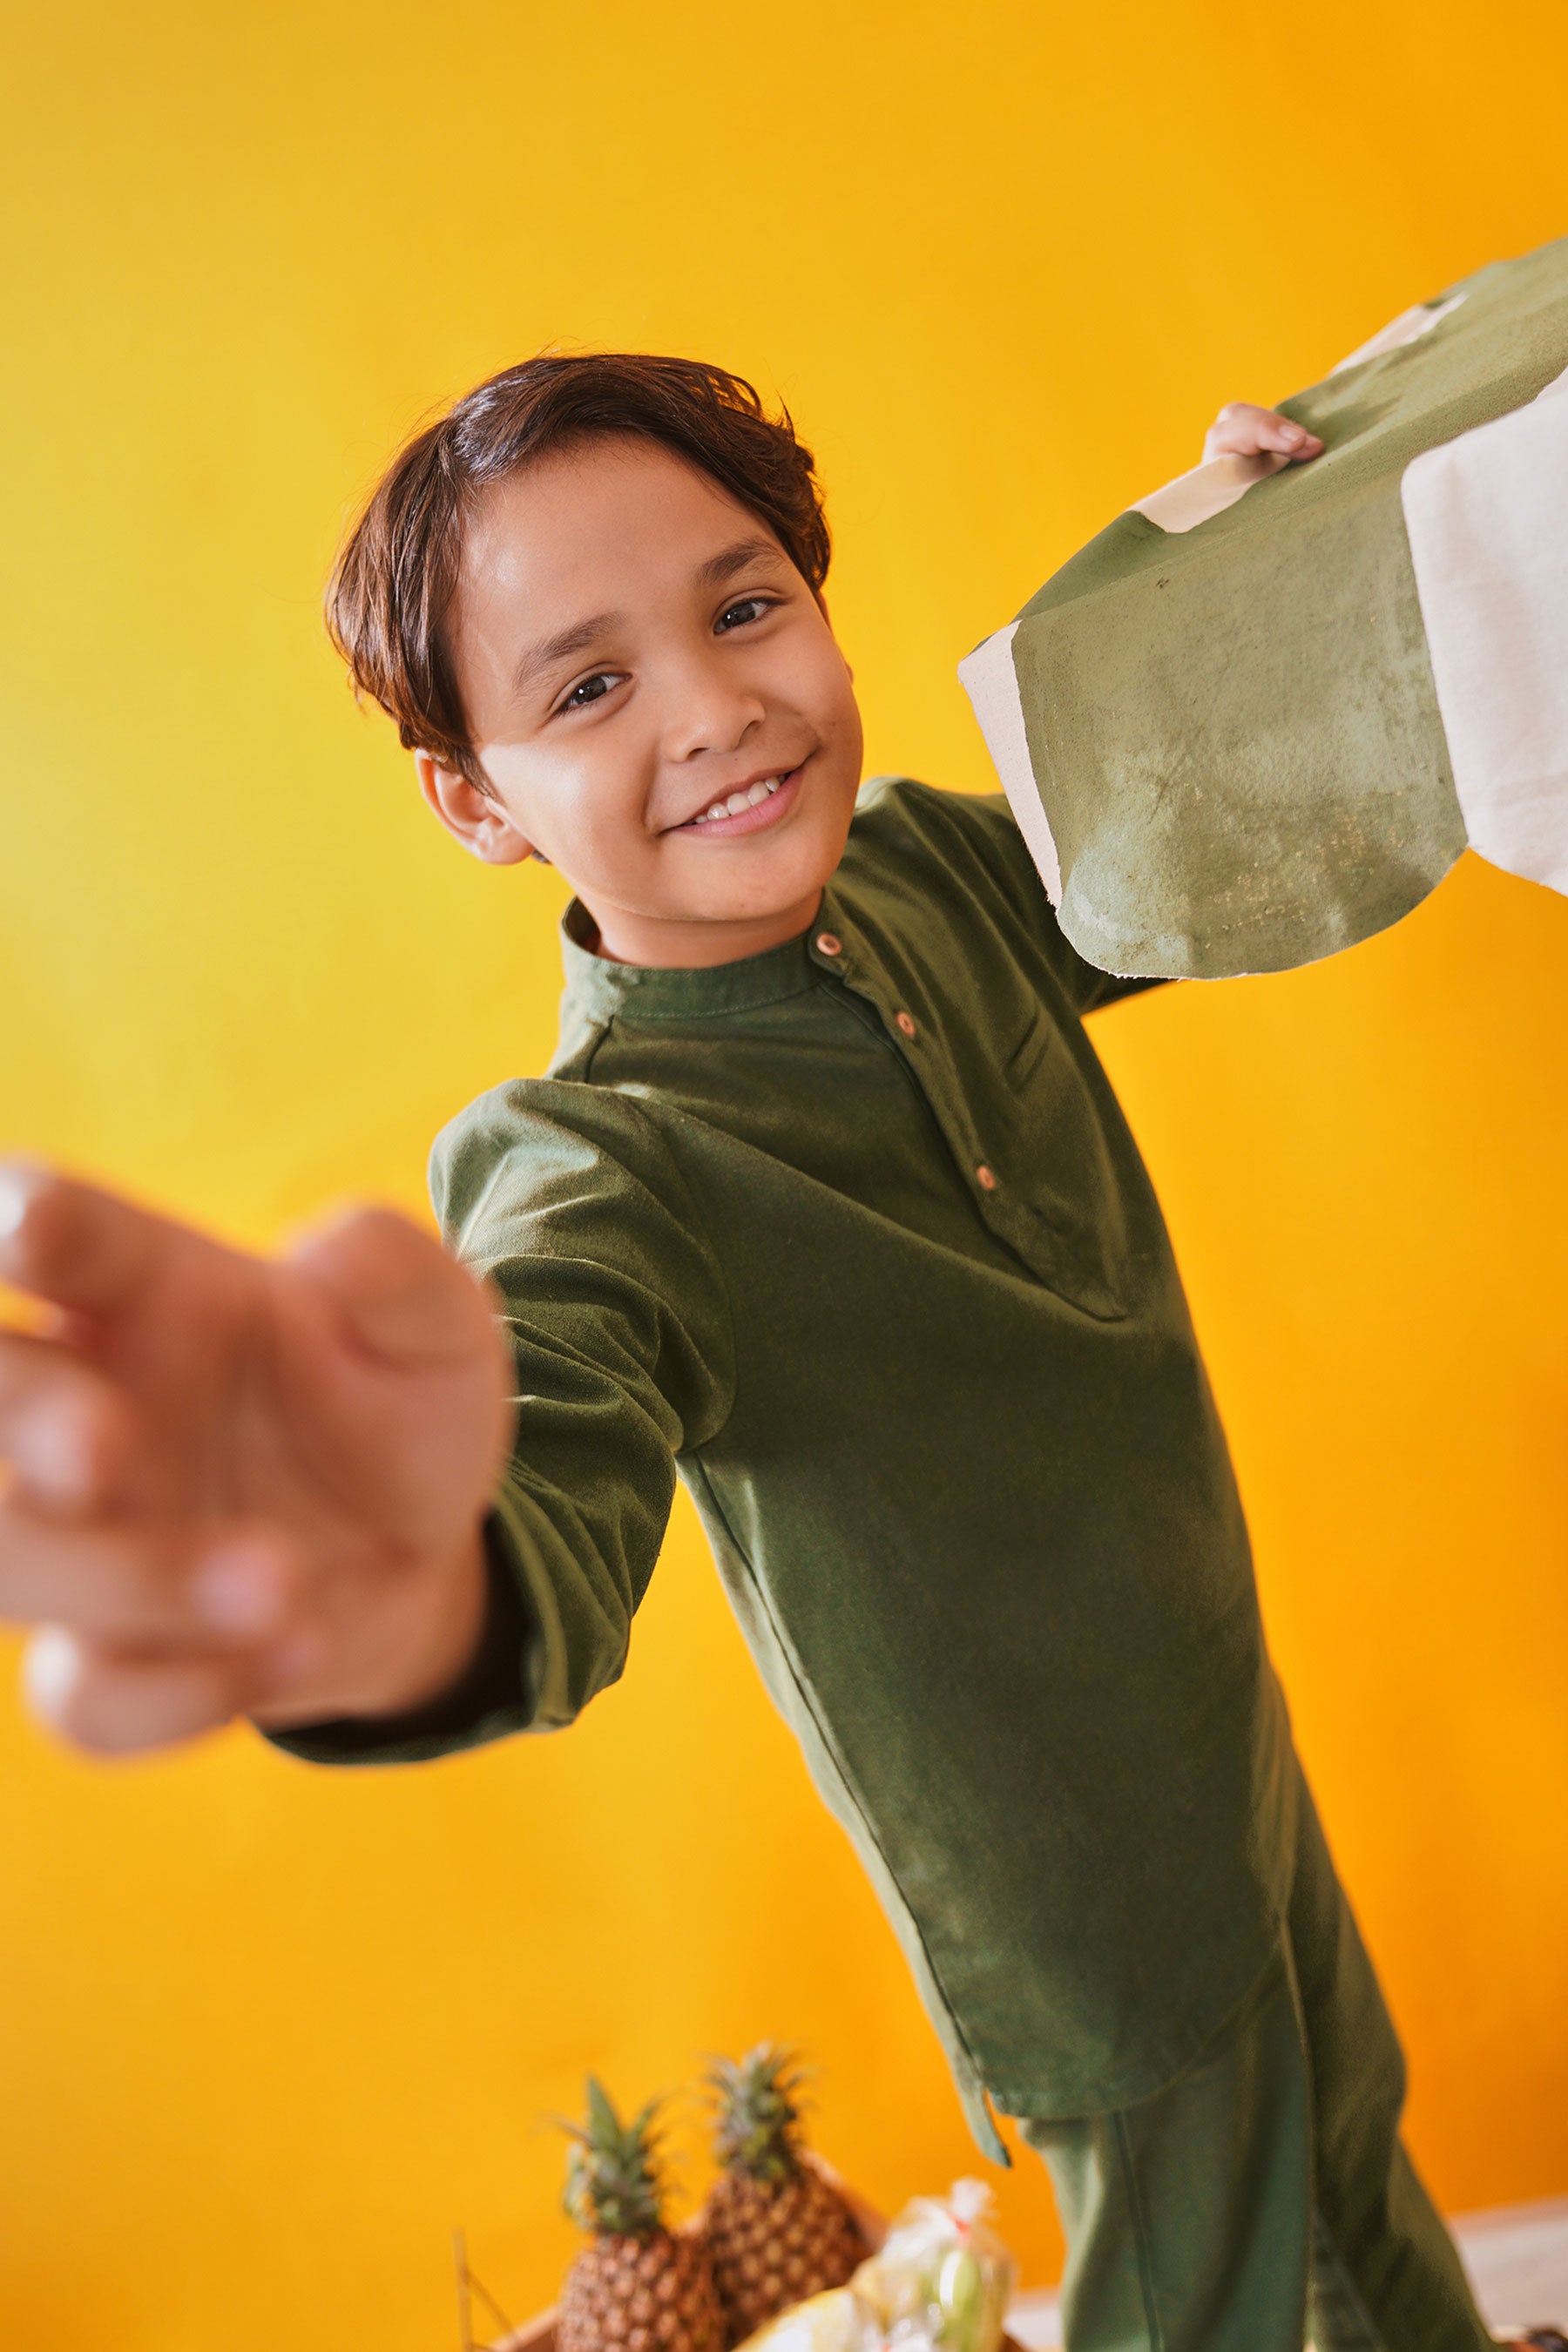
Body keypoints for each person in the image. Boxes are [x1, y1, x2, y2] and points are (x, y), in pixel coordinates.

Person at [0, 355, 1544, 2352]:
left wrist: (1233, 546)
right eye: (586, 687)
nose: (719, 708)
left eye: (744, 609)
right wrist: (401, 1589)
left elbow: (1181, 820)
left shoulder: (924, 873)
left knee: (1358, 2164)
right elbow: (537, 1449)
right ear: (474, 798)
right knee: (1210, 2294)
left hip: (1225, 1740)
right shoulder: (596, 1164)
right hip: (1068, 1899)